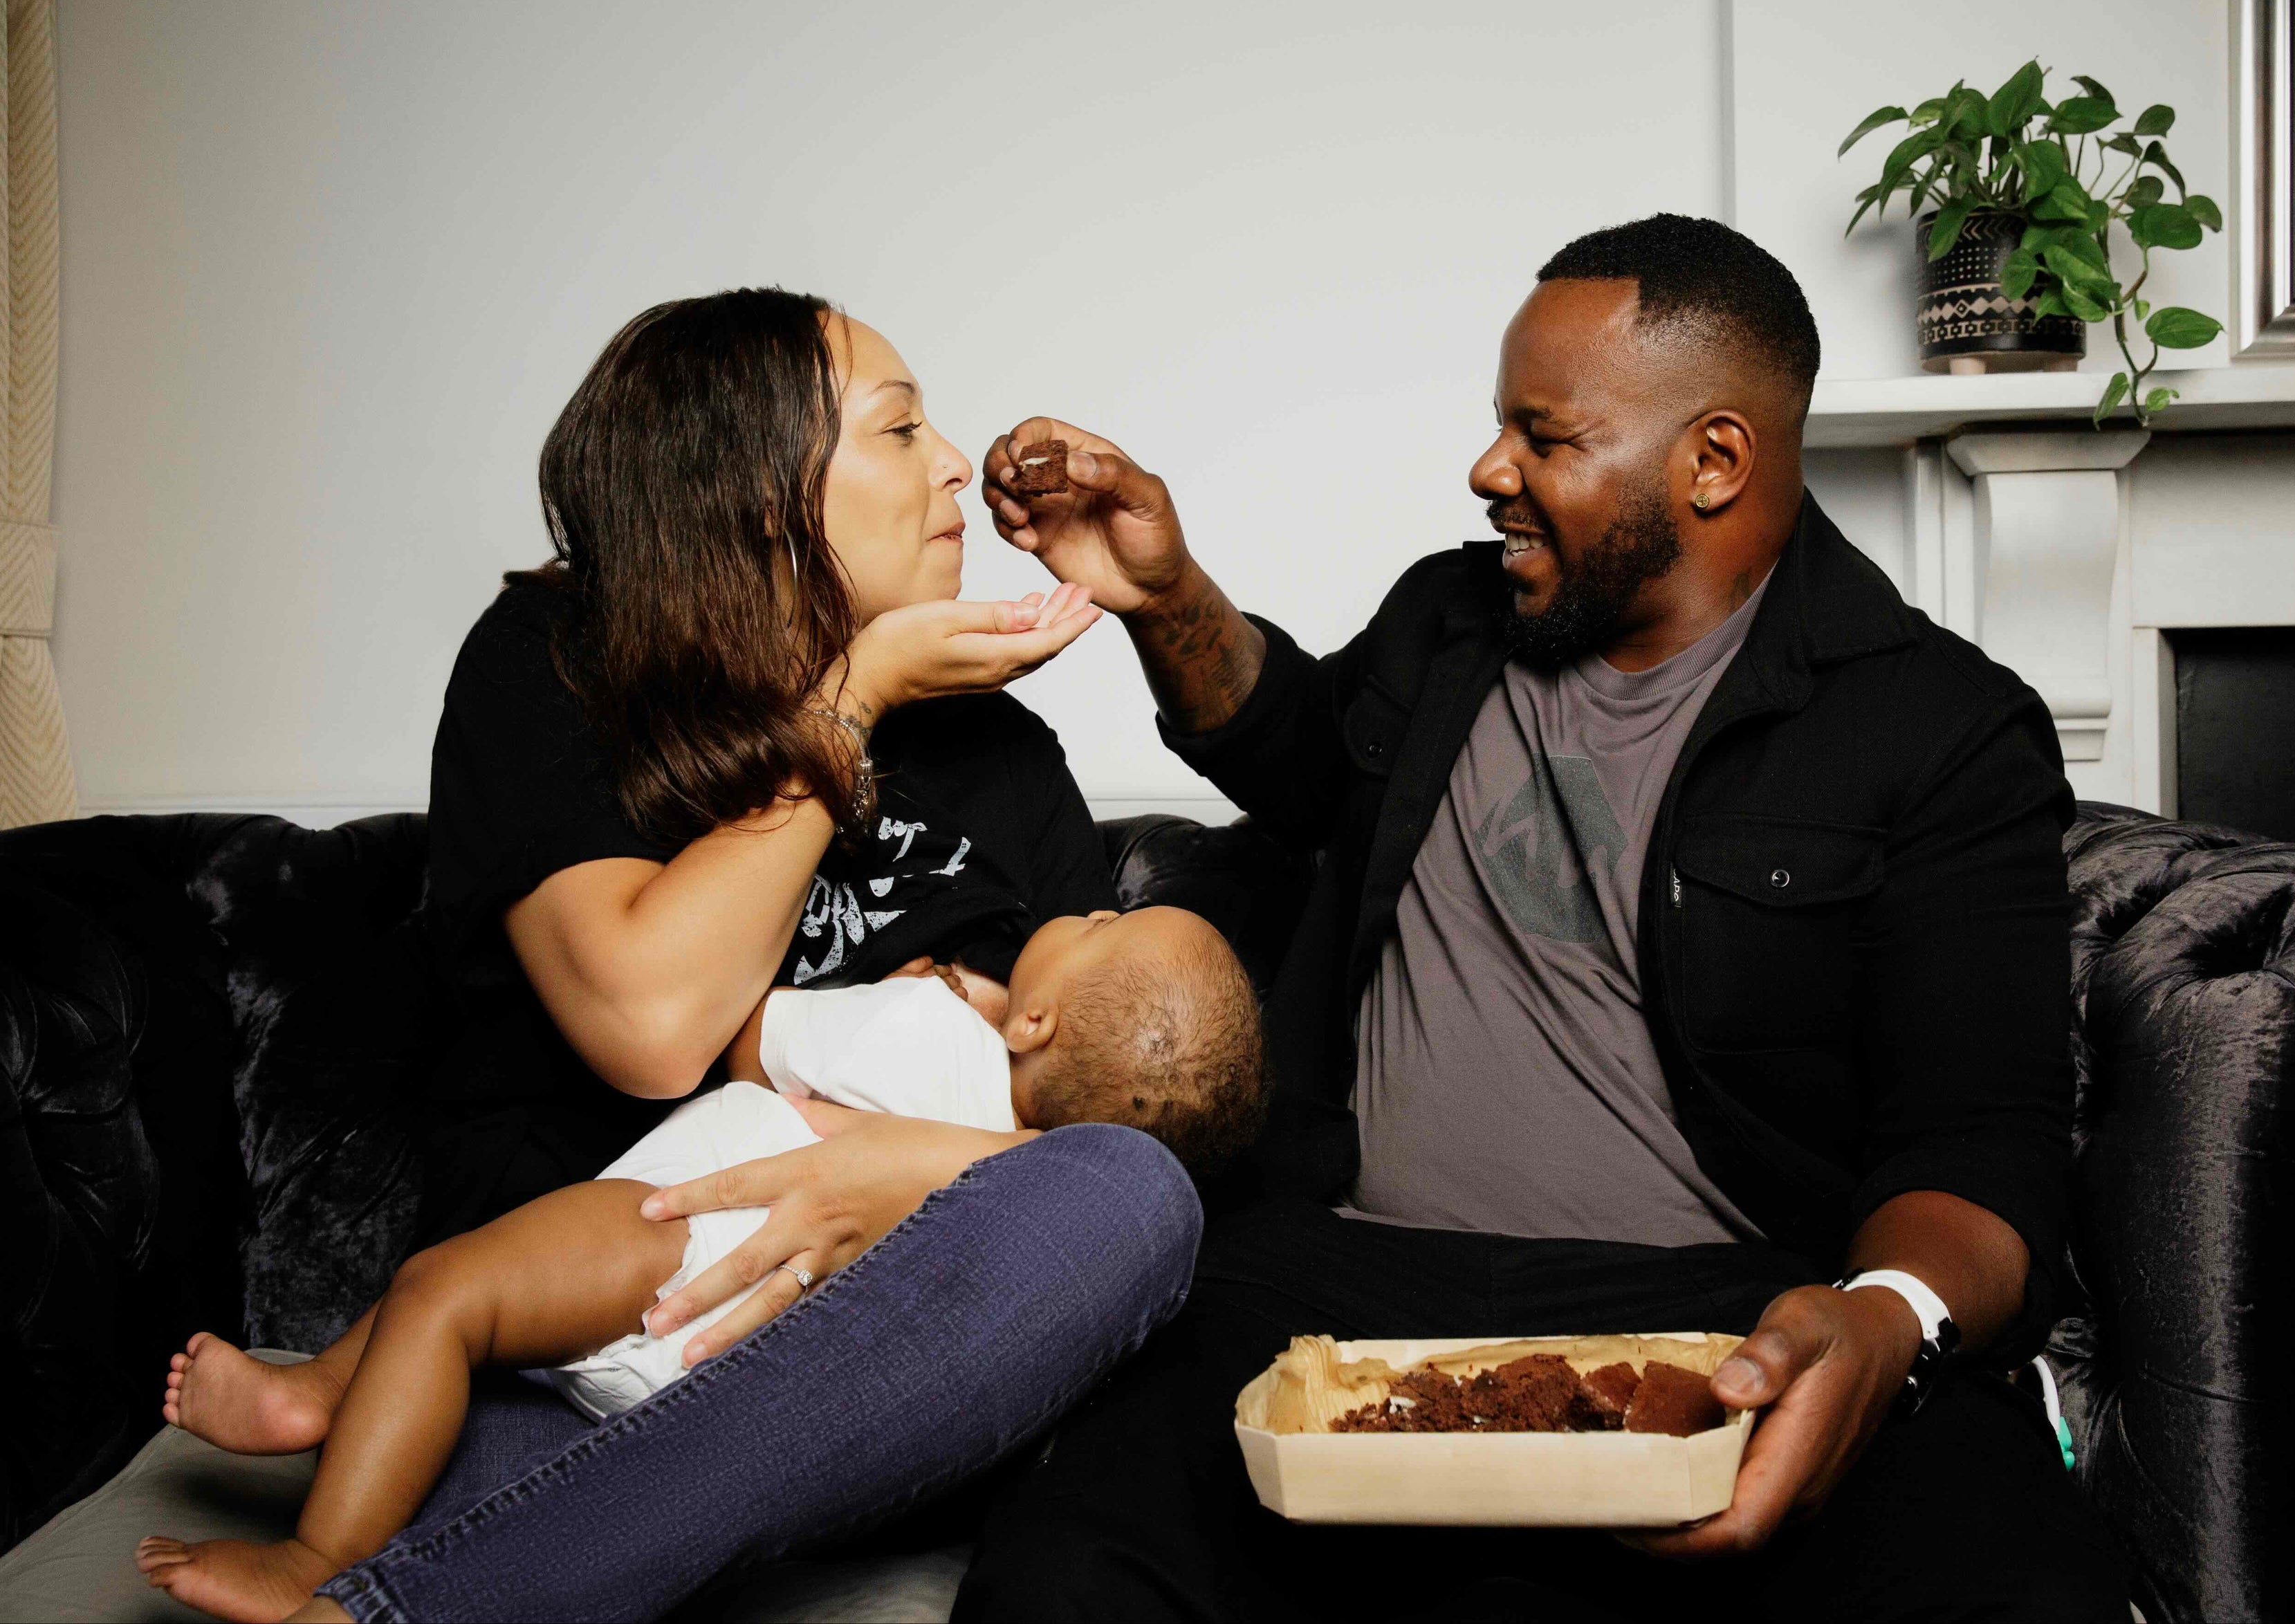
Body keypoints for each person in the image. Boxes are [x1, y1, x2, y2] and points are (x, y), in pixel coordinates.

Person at [957, 215, 2132, 1621]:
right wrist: (1166, 597)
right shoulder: (1452, 622)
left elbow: (1982, 1147)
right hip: (1338, 1292)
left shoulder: (1937, 728)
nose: (1488, 469)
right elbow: (1297, 756)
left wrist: (1882, 1321)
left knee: (2019, 1580)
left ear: (1713, 462)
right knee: (1063, 1573)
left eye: (1544, 435)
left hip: (1725, 1310)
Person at [140, 288, 1208, 1624]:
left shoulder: (998, 754)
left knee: (1140, 1205)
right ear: (758, 493)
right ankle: (518, 1562)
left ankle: (441, 1592)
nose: (954, 463)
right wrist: (850, 704)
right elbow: (649, 1027)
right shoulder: (560, 665)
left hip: (875, 1355)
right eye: (899, 429)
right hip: (578, 1327)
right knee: (499, 1454)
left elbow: (1114, 1098)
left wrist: (906, 1171)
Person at [138, 905, 1265, 1621]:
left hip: (679, 1242)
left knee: (444, 1288)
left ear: (1038, 1024)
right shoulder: (1034, 1180)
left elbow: (747, 1042)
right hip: (751, 1387)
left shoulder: (928, 1027)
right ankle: (342, 1434)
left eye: (1107, 919)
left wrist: (920, 1000)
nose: (1086, 905)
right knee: (465, 1335)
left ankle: (318, 1526)